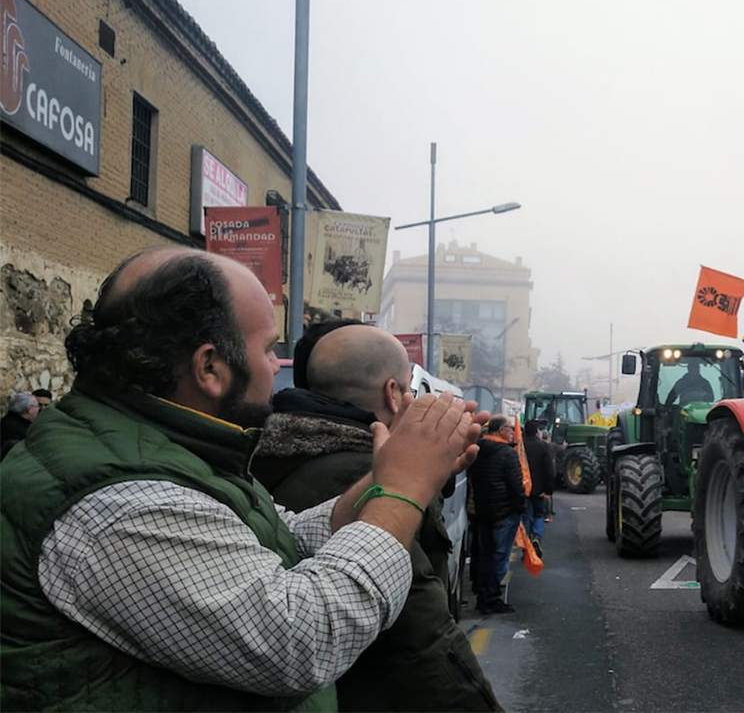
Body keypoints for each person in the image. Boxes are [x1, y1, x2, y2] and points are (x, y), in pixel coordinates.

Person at [0, 248, 481, 712]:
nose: (277, 368)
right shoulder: (119, 502)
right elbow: (301, 639)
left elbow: (285, 539)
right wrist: (402, 490)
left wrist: (390, 470)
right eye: (269, 349)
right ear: (209, 367)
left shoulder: (163, 447)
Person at [252, 321, 503, 713]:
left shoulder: (259, 453)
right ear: (393, 392)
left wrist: (422, 470)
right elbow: (422, 644)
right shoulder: (357, 473)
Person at [470, 415, 526, 614]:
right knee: (499, 556)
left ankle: (482, 596)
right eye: (510, 429)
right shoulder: (507, 454)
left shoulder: (477, 450)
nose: (512, 432)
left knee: (485, 555)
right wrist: (520, 507)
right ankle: (493, 598)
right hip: (505, 512)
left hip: (483, 510)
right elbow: (515, 484)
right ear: (501, 430)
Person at [523, 419, 557, 558]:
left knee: (526, 516)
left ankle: (527, 545)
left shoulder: (520, 446)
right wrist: (548, 489)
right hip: (539, 489)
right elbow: (549, 470)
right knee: (539, 515)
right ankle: (537, 536)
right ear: (537, 431)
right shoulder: (544, 446)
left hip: (523, 488)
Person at [0, 391, 39, 461]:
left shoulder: (7, 421)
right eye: (36, 406)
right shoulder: (22, 429)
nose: (38, 409)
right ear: (29, 409)